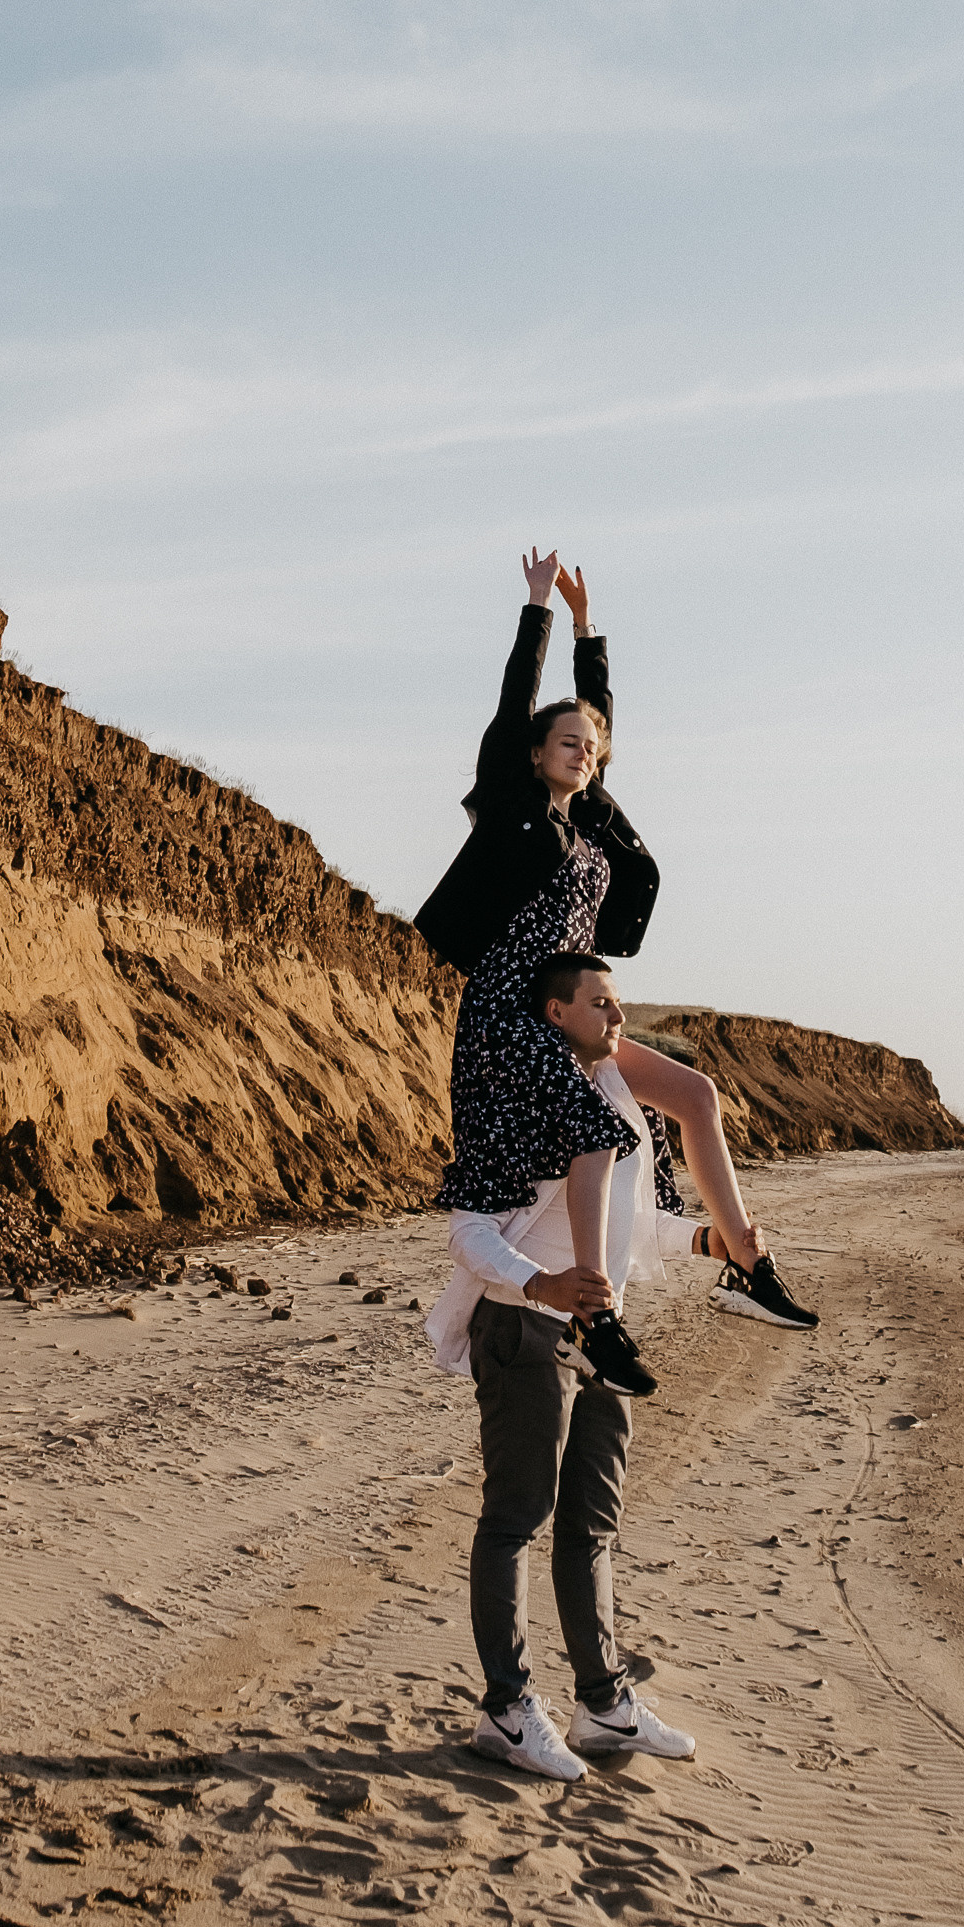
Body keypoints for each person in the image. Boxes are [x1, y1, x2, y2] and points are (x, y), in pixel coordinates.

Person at [421, 554, 819, 1391]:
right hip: (509, 1012)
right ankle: (594, 1319)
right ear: (534, 754)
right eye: (566, 744)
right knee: (599, 1135)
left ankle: (745, 1261)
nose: (584, 755)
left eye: (591, 751)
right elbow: (514, 710)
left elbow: (596, 721)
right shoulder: (512, 806)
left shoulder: (592, 819)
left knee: (695, 1096)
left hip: (574, 1012)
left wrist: (587, 627)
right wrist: (536, 609)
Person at [424, 943, 739, 1780]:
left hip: (605, 1335)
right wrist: (547, 1285)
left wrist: (712, 1240)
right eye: (600, 1002)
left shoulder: (615, 1101)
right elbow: (468, 1229)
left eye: (617, 1000)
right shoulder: (519, 1098)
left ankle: (603, 1706)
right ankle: (505, 1709)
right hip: (524, 1330)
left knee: (591, 1525)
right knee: (515, 1518)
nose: (618, 1017)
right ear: (555, 1012)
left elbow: (637, 1224)